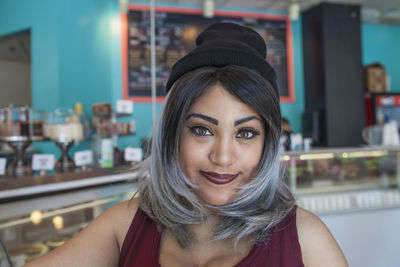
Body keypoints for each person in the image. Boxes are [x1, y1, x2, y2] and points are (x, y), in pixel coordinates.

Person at [25, 23, 347, 267]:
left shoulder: (305, 237)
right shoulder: (125, 224)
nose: (222, 156)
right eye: (202, 130)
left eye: (246, 134)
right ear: (171, 136)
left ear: (269, 144)